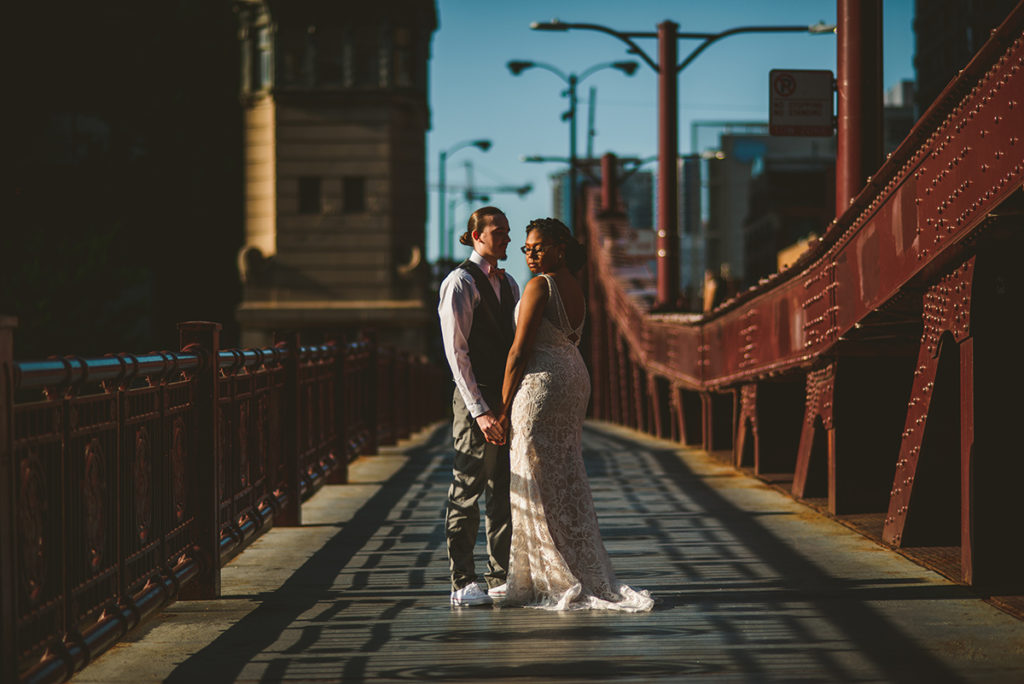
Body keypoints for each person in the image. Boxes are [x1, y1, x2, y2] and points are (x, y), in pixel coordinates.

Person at [495, 217, 654, 612]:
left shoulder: (539, 286)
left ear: (560, 248)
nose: (531, 254)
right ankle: (575, 566)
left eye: (539, 246)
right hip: (573, 378)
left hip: (543, 385)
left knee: (532, 472)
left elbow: (519, 352)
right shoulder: (574, 287)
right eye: (526, 249)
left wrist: (500, 411)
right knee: (563, 473)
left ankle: (549, 574)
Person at [437, 206, 520, 607]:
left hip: (505, 401)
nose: (506, 237)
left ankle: (500, 575)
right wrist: (480, 411)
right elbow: (457, 354)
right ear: (476, 236)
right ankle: (462, 581)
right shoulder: (459, 283)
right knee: (466, 487)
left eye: (507, 230)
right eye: (498, 231)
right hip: (476, 401)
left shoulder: (511, 283)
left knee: (501, 490)